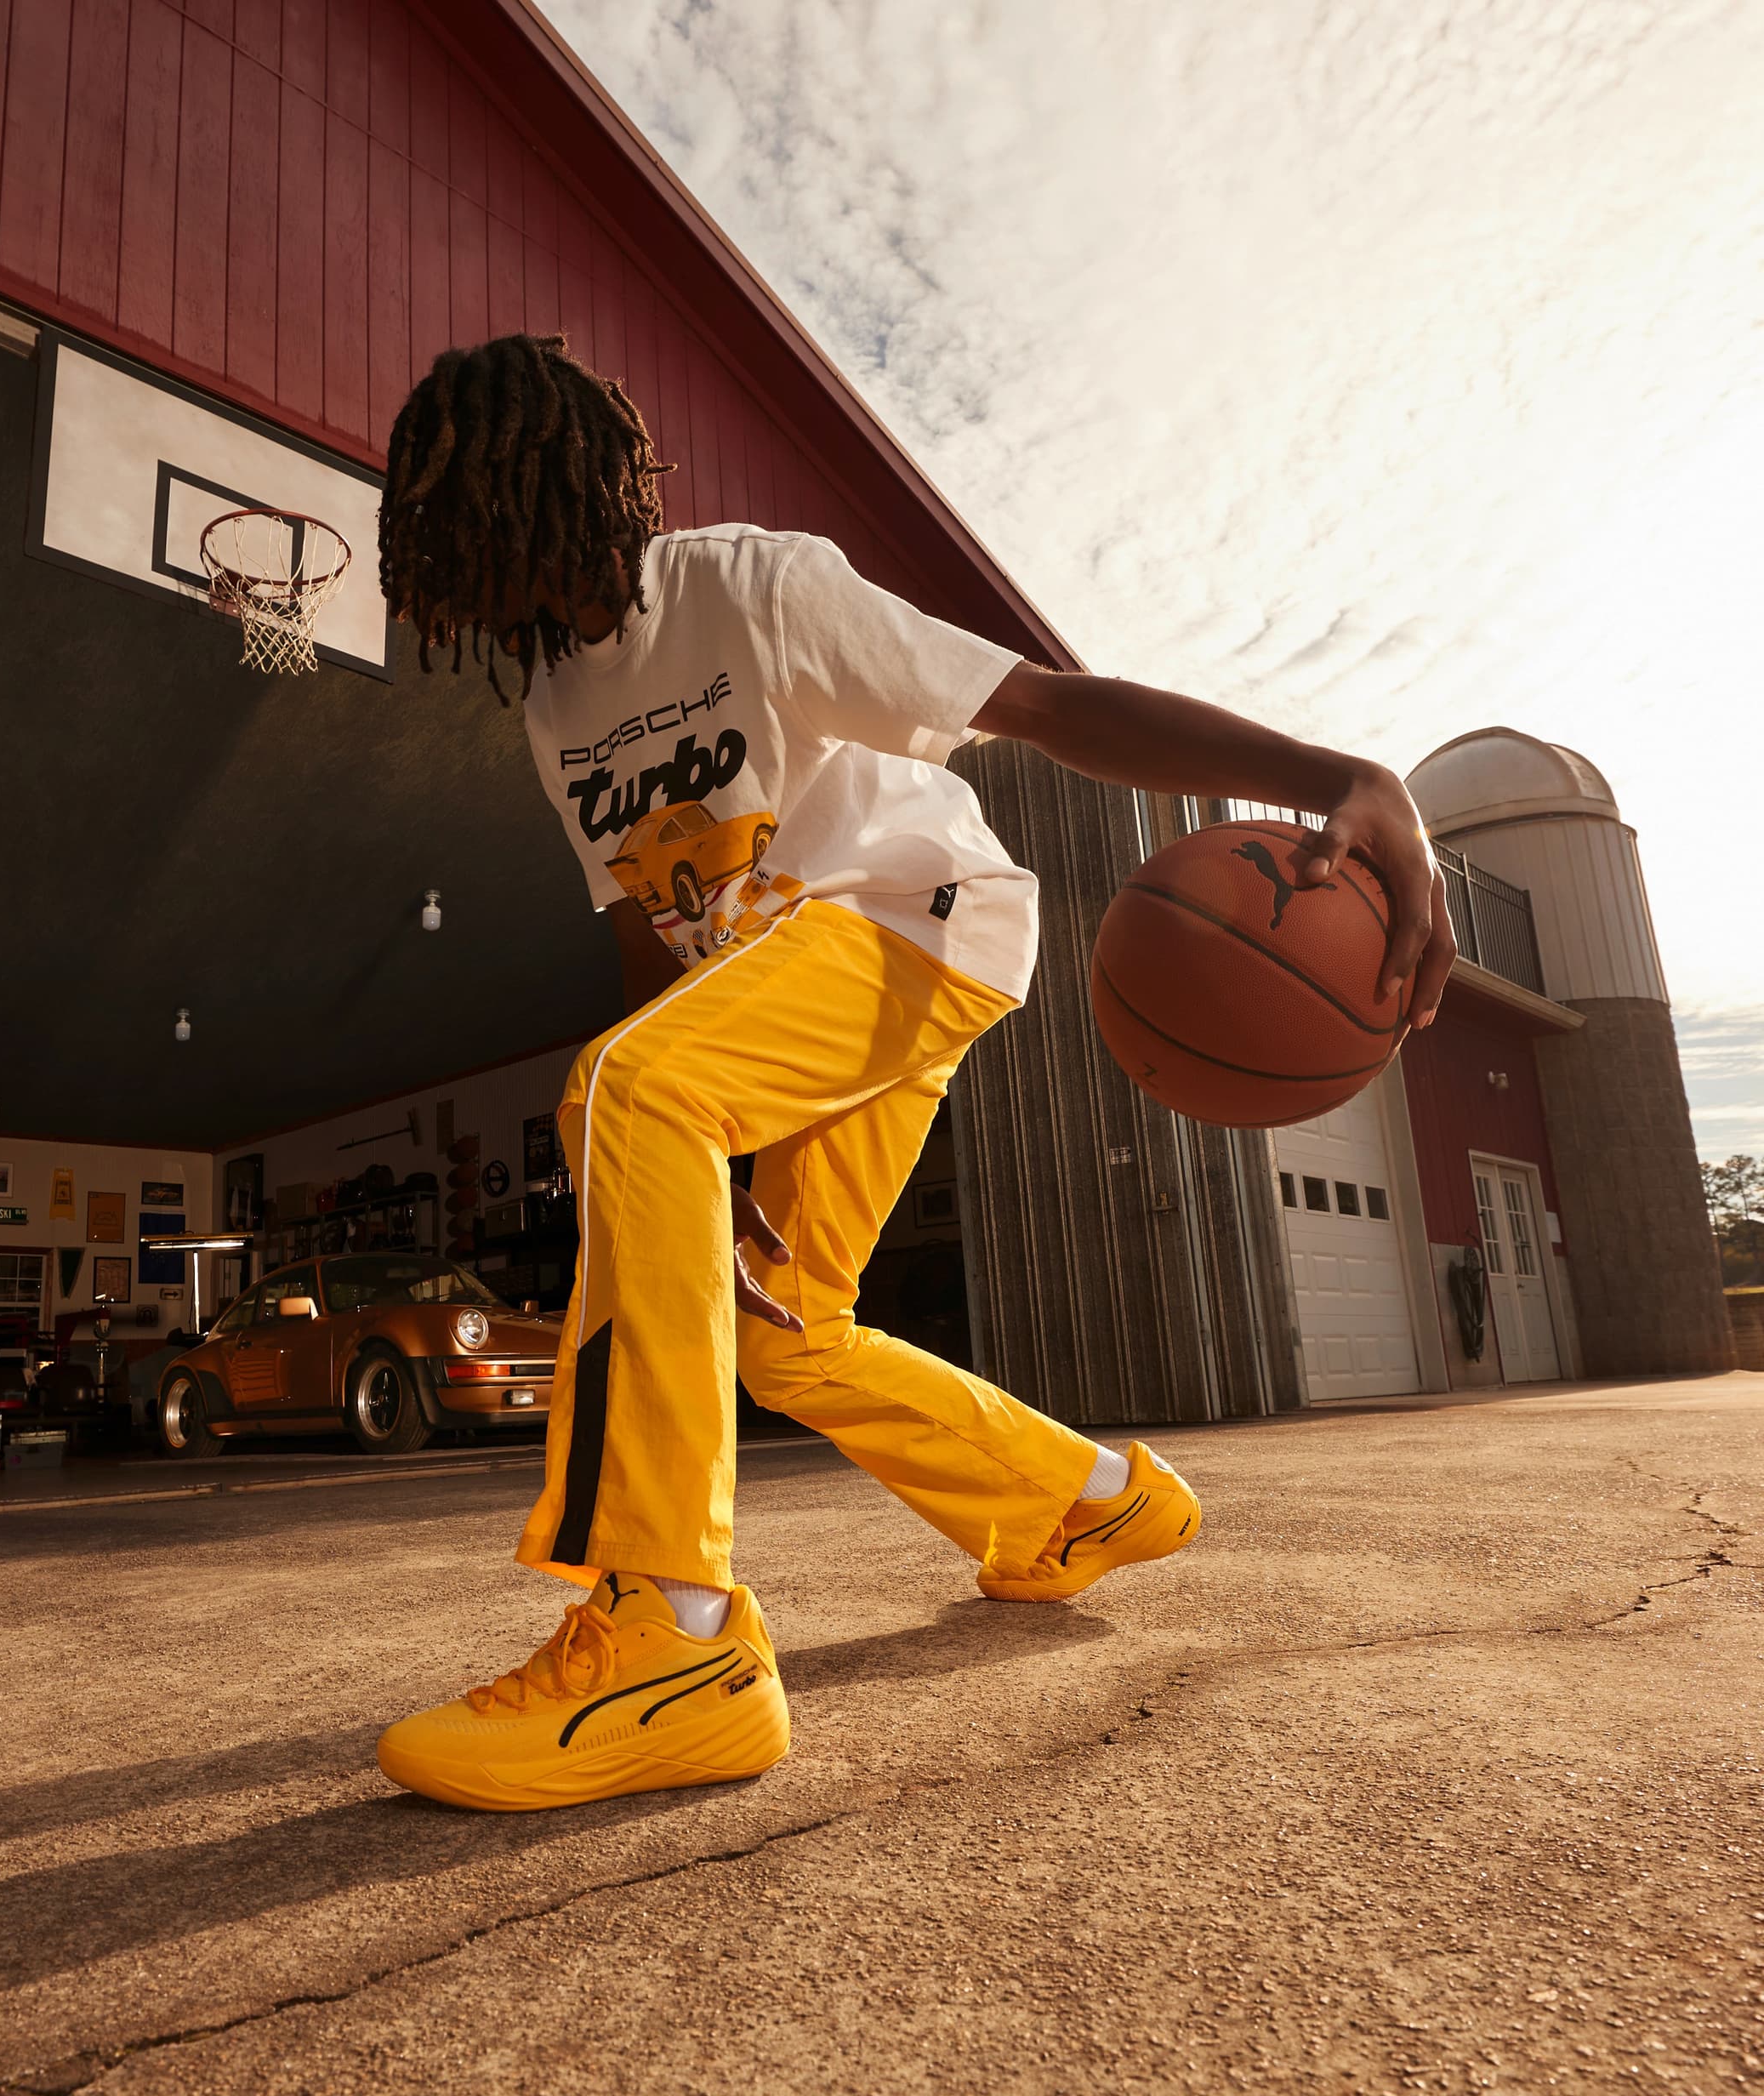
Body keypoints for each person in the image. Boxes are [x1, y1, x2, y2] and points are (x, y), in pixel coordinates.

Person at [371, 333, 1454, 1811]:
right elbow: (649, 931)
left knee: (621, 1088)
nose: (517, 579)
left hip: (908, 921)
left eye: (509, 526)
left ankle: (668, 1640)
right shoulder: (554, 711)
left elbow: (1048, 708)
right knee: (779, 1325)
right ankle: (1079, 1502)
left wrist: (1336, 775)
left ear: (588, 493)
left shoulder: (751, 586)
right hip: (782, 986)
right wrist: (712, 1175)